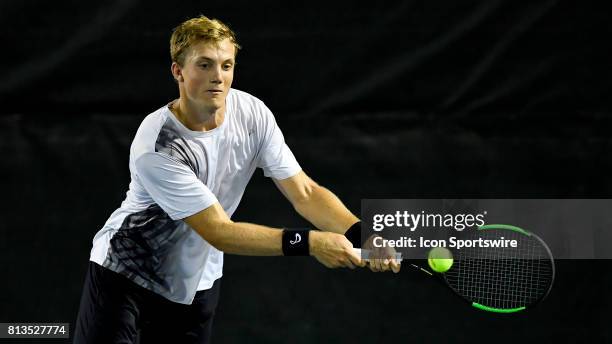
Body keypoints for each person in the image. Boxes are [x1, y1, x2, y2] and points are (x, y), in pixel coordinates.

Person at [73, 15, 400, 344]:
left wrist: (362, 234)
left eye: (226, 65)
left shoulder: (253, 114)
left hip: (199, 284)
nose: (218, 77)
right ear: (178, 71)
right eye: (204, 65)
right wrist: (312, 243)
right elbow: (219, 232)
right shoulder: (160, 147)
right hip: (125, 277)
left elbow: (305, 192)